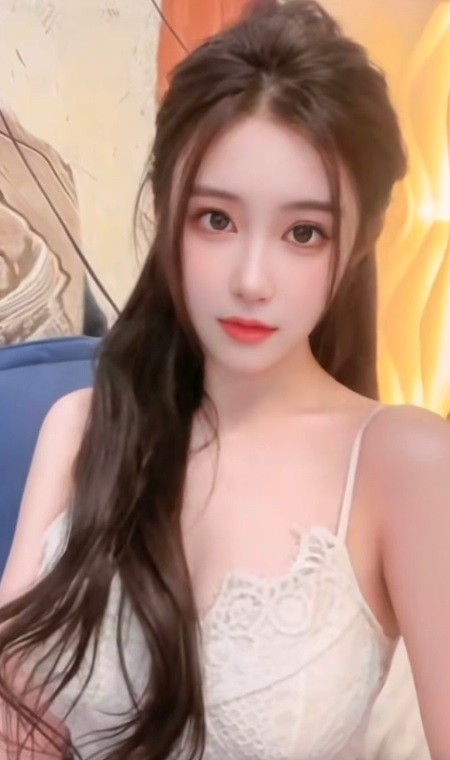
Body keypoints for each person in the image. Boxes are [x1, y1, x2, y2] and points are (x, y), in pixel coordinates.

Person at [0, 1, 449, 758]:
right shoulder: (79, 427)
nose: (251, 280)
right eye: (217, 220)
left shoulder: (402, 464)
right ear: (167, 211)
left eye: (303, 233)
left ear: (358, 242)